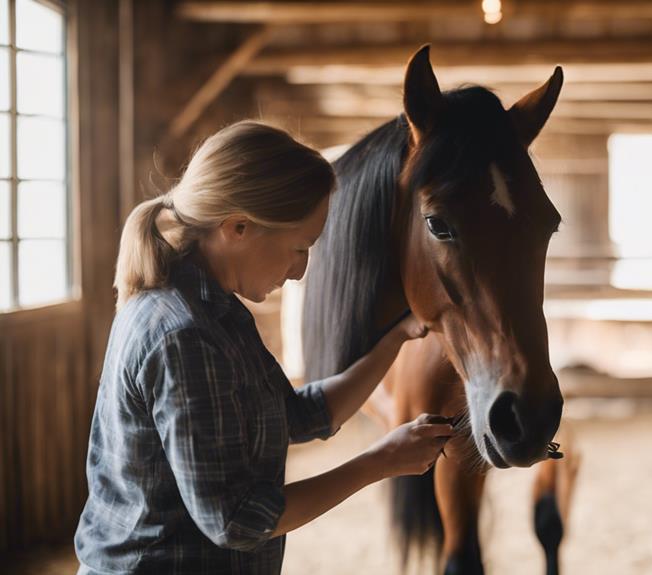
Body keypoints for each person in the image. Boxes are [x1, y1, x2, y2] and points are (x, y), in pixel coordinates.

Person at [74, 121, 453, 573]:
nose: (300, 271)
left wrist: (397, 337)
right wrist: (380, 461)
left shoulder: (217, 313)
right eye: (299, 247)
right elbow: (236, 520)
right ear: (238, 227)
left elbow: (298, 414)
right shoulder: (185, 335)